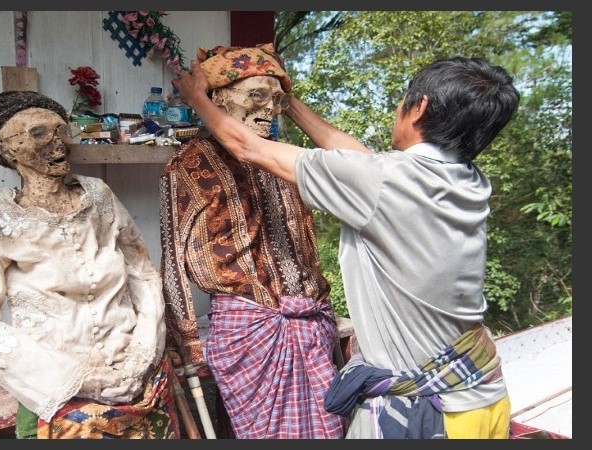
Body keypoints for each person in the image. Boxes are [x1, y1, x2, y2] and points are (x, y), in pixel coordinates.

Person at [173, 55, 520, 439]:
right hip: (483, 397)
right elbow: (354, 157)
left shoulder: (384, 182)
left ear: (419, 106)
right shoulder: (464, 180)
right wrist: (288, 102)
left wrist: (197, 99)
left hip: (431, 415)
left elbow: (248, 147)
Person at [0, 90, 179, 439]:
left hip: (136, 372)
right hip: (57, 385)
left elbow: (143, 275)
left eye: (61, 130)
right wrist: (77, 378)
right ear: (3, 149)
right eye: (38, 133)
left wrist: (143, 352)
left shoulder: (99, 194)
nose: (57, 143)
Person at [160, 43, 345, 439]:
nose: (270, 107)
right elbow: (174, 257)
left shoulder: (284, 159)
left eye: (277, 99)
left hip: (311, 324)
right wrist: (186, 341)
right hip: (249, 330)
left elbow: (307, 244)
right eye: (257, 95)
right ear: (221, 99)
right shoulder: (191, 163)